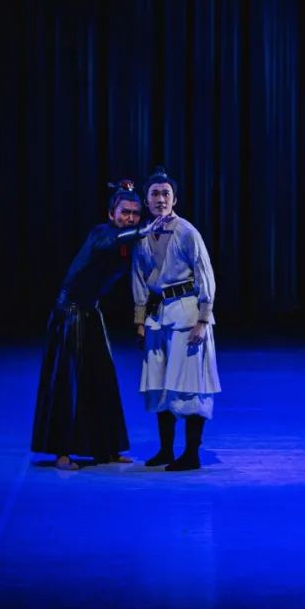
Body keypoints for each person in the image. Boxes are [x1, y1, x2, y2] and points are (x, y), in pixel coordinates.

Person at [31, 181, 171, 470]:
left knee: (103, 378)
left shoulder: (130, 243)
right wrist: (144, 229)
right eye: (124, 212)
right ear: (111, 214)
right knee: (69, 381)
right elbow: (112, 241)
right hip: (69, 312)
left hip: (91, 311)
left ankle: (106, 449)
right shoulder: (102, 233)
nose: (130, 217)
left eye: (135, 213)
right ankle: (62, 451)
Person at [132, 166, 221, 472]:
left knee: (189, 383)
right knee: (160, 382)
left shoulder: (187, 232)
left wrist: (203, 320)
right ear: (147, 200)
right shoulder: (143, 236)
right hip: (158, 315)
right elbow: (139, 279)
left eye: (166, 194)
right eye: (155, 194)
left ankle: (191, 453)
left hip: (186, 314)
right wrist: (140, 321)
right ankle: (166, 450)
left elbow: (205, 275)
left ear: (175, 199)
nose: (160, 199)